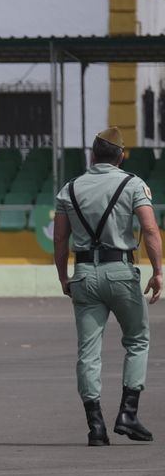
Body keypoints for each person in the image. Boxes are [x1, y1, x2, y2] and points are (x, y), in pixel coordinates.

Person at [54, 127, 163, 446]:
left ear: (92, 154)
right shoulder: (132, 184)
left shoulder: (69, 188)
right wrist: (158, 271)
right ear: (121, 156)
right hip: (120, 272)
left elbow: (60, 239)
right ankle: (128, 413)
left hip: (85, 274)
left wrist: (64, 276)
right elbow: (150, 229)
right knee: (138, 340)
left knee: (88, 351)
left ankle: (96, 426)